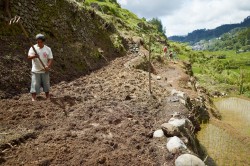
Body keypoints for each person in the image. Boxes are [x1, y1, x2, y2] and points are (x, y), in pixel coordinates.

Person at [28, 34, 53, 101]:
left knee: (46, 84)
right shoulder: (33, 48)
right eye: (38, 42)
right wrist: (34, 56)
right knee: (35, 84)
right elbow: (29, 57)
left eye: (40, 42)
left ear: (43, 42)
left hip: (44, 69)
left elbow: (50, 59)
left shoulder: (48, 49)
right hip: (35, 70)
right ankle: (33, 97)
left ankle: (47, 96)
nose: (39, 43)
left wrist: (48, 66)